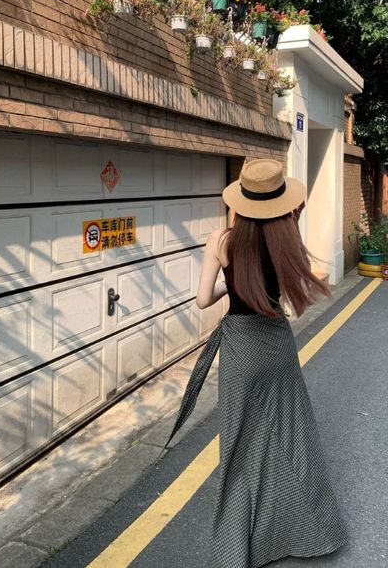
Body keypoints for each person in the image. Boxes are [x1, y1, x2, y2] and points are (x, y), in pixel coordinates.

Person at [163, 159, 349, 568]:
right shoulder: (286, 239)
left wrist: (227, 287)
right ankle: (308, 529)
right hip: (276, 347)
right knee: (291, 437)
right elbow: (289, 287)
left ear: (241, 201)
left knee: (240, 446)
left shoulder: (221, 240)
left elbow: (202, 300)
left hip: (242, 350)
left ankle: (237, 548)